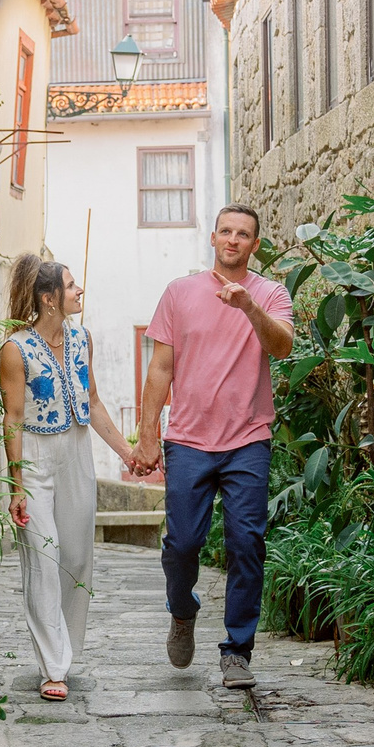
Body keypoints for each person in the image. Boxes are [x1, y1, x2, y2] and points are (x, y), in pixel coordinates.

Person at [128, 205, 294, 689]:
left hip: (248, 439)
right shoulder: (180, 293)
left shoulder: (271, 294)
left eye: (244, 234)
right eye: (226, 231)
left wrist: (248, 307)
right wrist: (147, 435)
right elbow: (161, 368)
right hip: (188, 440)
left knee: (247, 543)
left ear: (255, 244)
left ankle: (237, 651)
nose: (234, 240)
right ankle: (182, 612)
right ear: (214, 238)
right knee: (182, 544)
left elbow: (281, 347)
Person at [0, 254, 137, 702]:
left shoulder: (83, 340)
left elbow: (93, 401)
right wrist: (16, 484)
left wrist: (128, 453)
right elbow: (13, 419)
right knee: (44, 555)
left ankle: (66, 649)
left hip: (77, 452)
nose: (79, 292)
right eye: (72, 286)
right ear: (49, 298)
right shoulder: (15, 350)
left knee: (76, 557)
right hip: (35, 458)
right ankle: (53, 663)